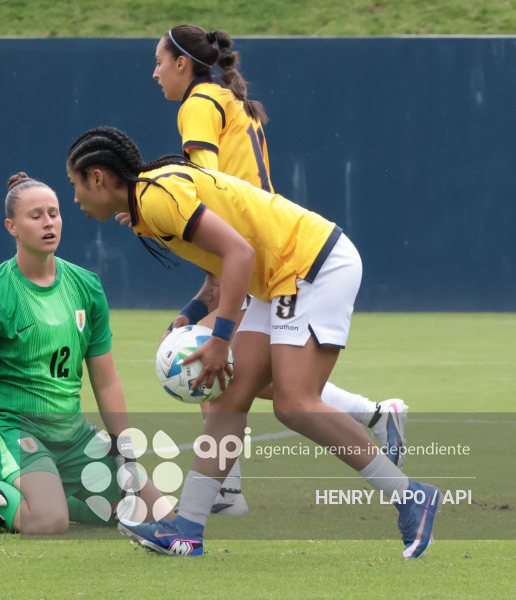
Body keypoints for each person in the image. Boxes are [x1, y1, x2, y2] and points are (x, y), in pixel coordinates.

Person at [66, 127, 439, 558]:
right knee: (229, 399)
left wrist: (220, 340)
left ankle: (411, 496)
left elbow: (239, 254)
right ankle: (186, 529)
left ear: (97, 177)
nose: (74, 197)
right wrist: (189, 315)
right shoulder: (148, 206)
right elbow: (221, 268)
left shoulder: (156, 197)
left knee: (294, 404)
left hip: (310, 263)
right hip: (278, 277)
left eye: (75, 184)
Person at [133, 24, 409, 514]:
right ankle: (372, 419)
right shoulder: (228, 98)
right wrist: (197, 303)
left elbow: (201, 186)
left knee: (216, 361)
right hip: (262, 246)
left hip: (273, 255)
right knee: (233, 371)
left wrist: (151, 205)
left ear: (181, 63)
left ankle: (228, 491)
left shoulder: (198, 104)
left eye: (158, 62)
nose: (154, 73)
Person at [0, 172, 166, 534]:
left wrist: (124, 451)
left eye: (54, 213)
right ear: (11, 227)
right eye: (36, 216)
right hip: (14, 430)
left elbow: (106, 381)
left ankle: (50, 490)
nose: (49, 223)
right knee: (48, 521)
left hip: (73, 435)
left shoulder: (86, 286)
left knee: (155, 513)